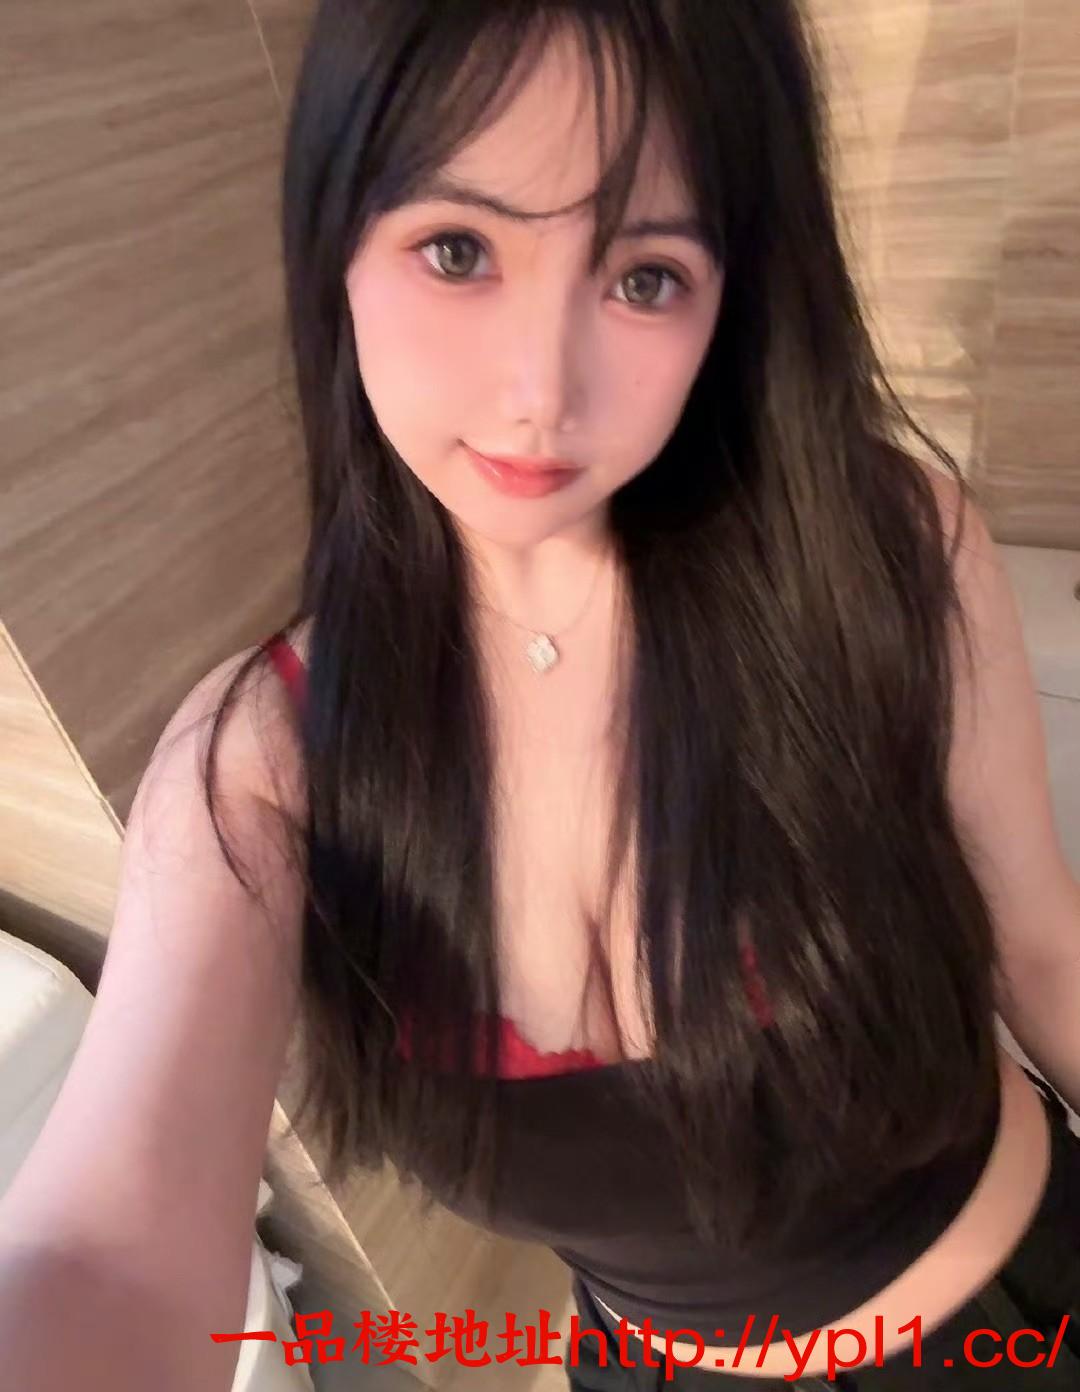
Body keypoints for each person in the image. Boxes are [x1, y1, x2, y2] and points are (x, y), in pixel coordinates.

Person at [1, 2, 1078, 1389]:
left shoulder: (884, 554)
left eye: (646, 276)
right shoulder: (271, 759)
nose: (540, 392)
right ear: (336, 243)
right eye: (460, 250)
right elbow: (109, 1249)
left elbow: (1043, 954)